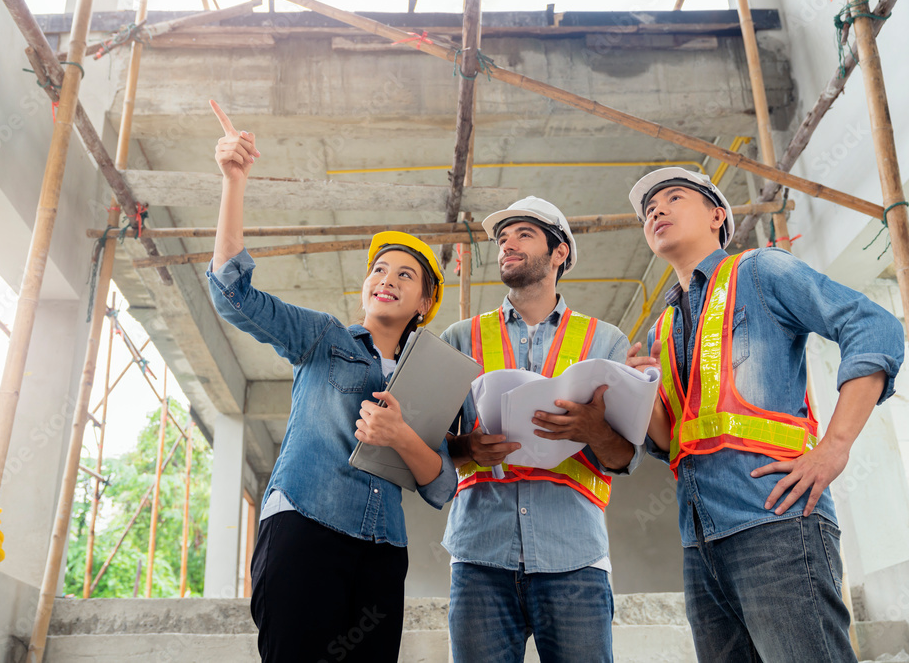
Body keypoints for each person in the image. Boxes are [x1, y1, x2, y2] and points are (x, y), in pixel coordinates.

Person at [204, 100, 458, 663]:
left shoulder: (430, 378)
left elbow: (440, 485)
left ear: (425, 302)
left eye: (404, 275)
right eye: (378, 270)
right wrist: (233, 181)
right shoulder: (324, 339)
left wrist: (400, 436)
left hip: (382, 552)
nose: (385, 279)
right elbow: (231, 292)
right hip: (306, 529)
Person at [626, 167, 905, 662]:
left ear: (718, 216)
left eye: (672, 198)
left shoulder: (761, 271)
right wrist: (639, 391)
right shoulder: (661, 330)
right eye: (649, 210)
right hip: (700, 544)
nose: (657, 211)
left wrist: (834, 447)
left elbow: (872, 325)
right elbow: (672, 442)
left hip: (775, 522)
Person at [440, 196, 644, 663]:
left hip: (574, 557)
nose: (507, 244)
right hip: (479, 557)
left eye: (523, 234)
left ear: (560, 254)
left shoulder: (604, 341)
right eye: (502, 238)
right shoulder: (459, 339)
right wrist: (466, 446)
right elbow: (428, 450)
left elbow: (624, 458)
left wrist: (594, 429)